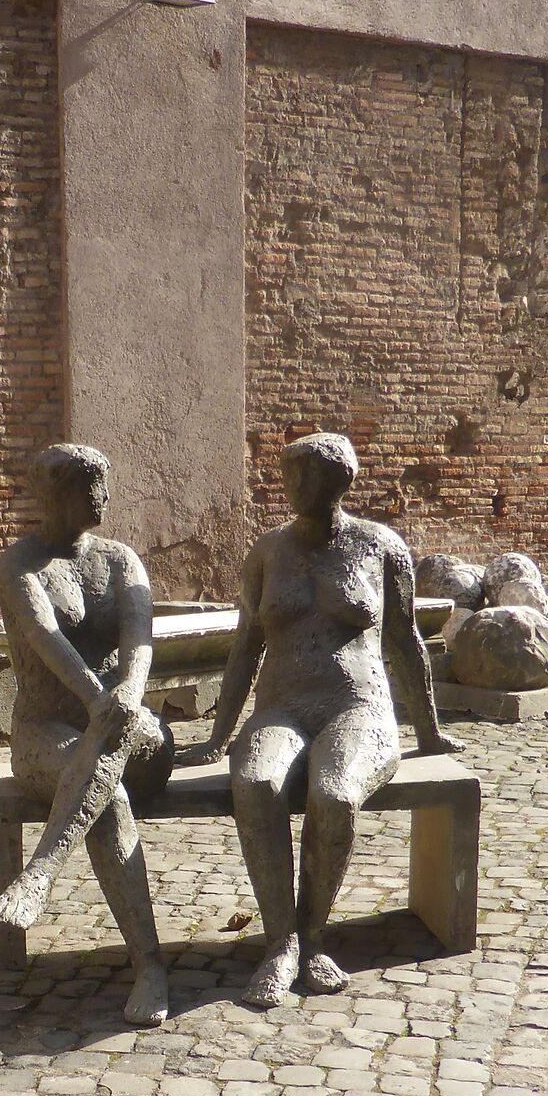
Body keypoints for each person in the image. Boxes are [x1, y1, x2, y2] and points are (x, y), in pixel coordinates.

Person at [181, 432, 458, 1008]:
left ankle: (314, 938)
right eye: (289, 474)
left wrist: (428, 733)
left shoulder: (380, 545)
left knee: (334, 794)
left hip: (358, 707)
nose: (293, 485)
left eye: (305, 475)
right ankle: (280, 940)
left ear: (340, 482)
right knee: (256, 782)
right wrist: (216, 735)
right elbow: (245, 645)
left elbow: (407, 643)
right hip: (281, 708)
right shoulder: (268, 552)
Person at [0, 444, 175, 1025]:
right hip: (45, 733)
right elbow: (47, 638)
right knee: (107, 795)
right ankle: (151, 965)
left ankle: (40, 873)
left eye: (106, 483)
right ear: (57, 495)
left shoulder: (120, 561)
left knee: (109, 759)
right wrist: (99, 702)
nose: (105, 497)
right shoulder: (19, 567)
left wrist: (124, 697)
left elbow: (141, 640)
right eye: (93, 487)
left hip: (133, 731)